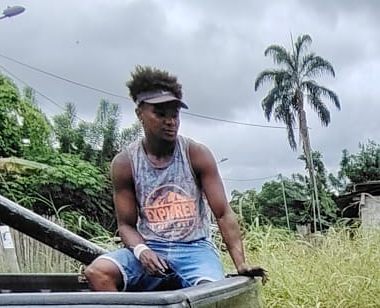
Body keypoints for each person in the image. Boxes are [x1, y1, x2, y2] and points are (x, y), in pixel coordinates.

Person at [84, 66, 264, 292]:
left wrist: (241, 264)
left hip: (195, 250)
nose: (170, 121)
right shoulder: (125, 163)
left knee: (208, 294)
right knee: (98, 273)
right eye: (160, 114)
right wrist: (142, 251)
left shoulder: (195, 154)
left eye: (174, 114)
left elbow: (222, 213)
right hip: (151, 247)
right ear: (140, 114)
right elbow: (126, 225)